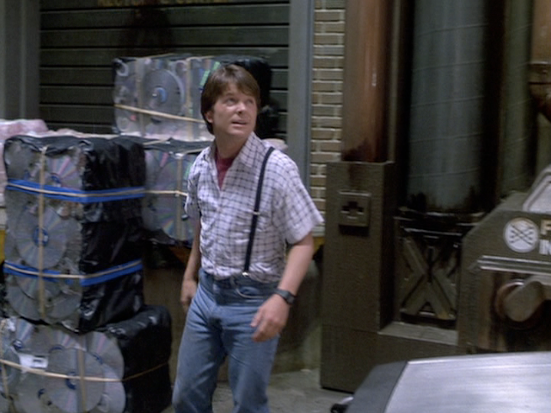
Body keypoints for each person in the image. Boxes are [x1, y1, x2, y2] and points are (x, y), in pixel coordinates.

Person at [171, 64, 323, 413]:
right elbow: (202, 225)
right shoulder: (200, 167)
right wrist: (190, 276)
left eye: (249, 102)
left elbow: (303, 241)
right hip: (207, 294)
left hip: (252, 301)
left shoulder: (277, 169)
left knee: (248, 404)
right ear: (209, 113)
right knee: (185, 398)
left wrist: (283, 298)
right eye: (231, 100)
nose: (242, 109)